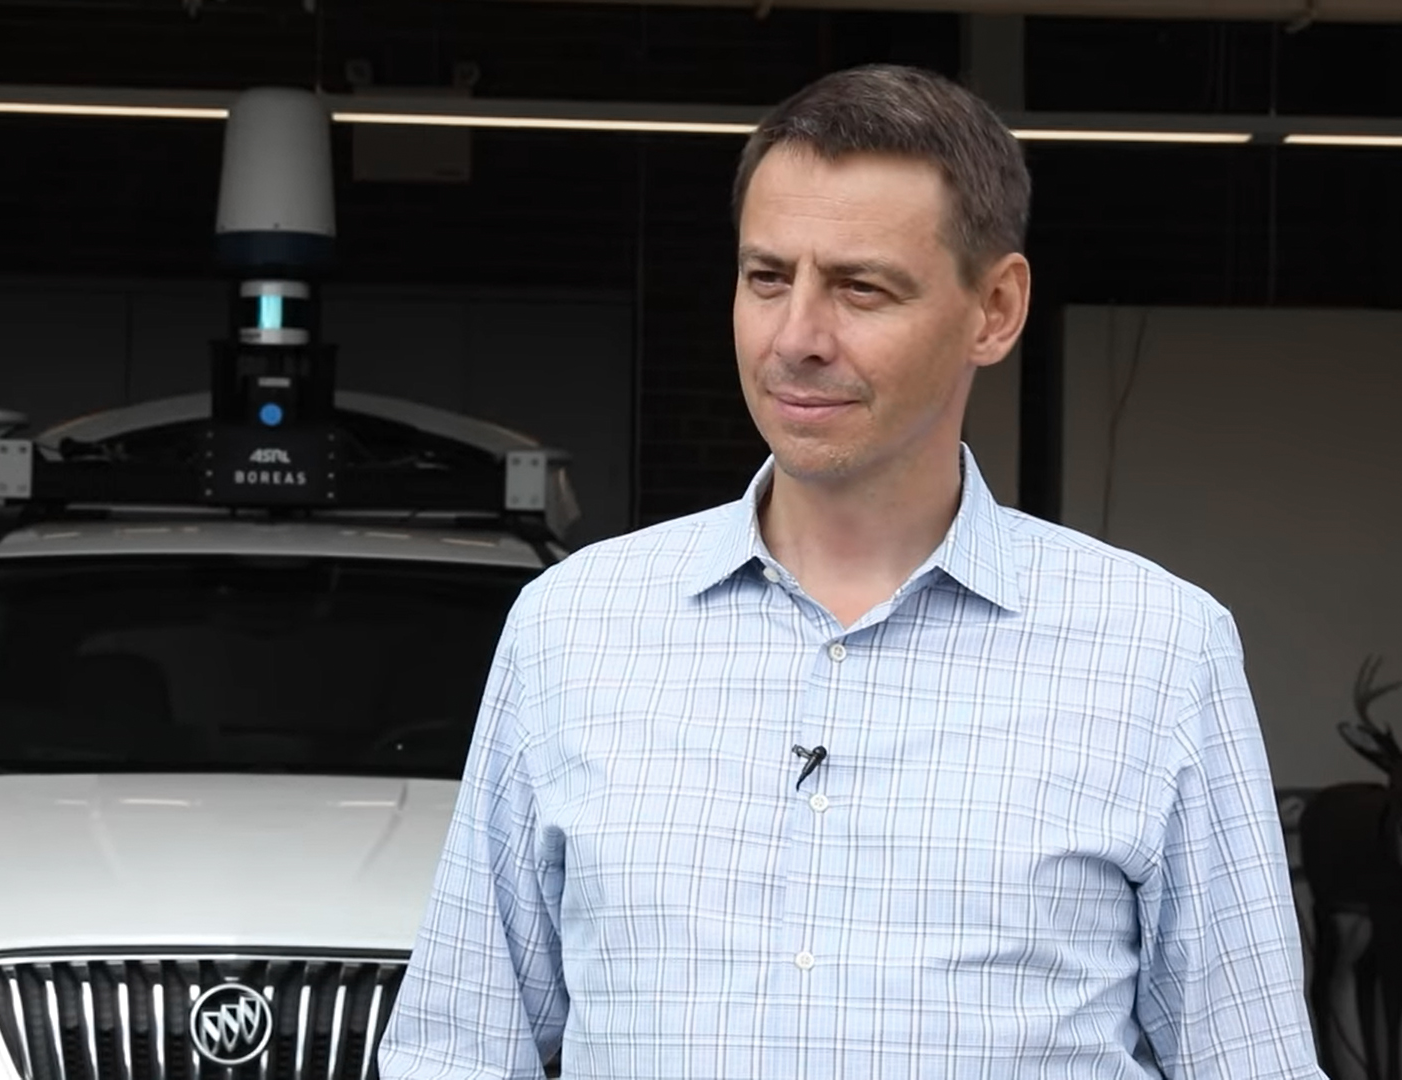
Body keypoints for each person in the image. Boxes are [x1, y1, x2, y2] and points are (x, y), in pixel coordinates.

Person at [377, 63, 1325, 1079]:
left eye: (861, 288)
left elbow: (1248, 1059)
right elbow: (460, 1050)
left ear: (995, 310)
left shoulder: (1157, 650)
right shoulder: (571, 630)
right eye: (767, 278)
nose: (797, 339)